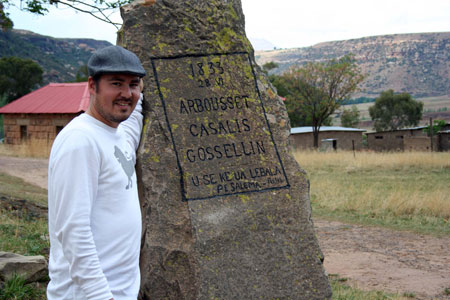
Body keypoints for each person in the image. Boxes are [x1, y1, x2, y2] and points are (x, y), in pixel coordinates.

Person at [47, 45, 146, 300]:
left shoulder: (118, 132)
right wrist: (102, 296)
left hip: (121, 291)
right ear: (92, 86)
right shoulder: (80, 141)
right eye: (116, 83)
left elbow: (132, 121)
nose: (126, 93)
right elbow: (73, 230)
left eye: (133, 84)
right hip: (89, 294)